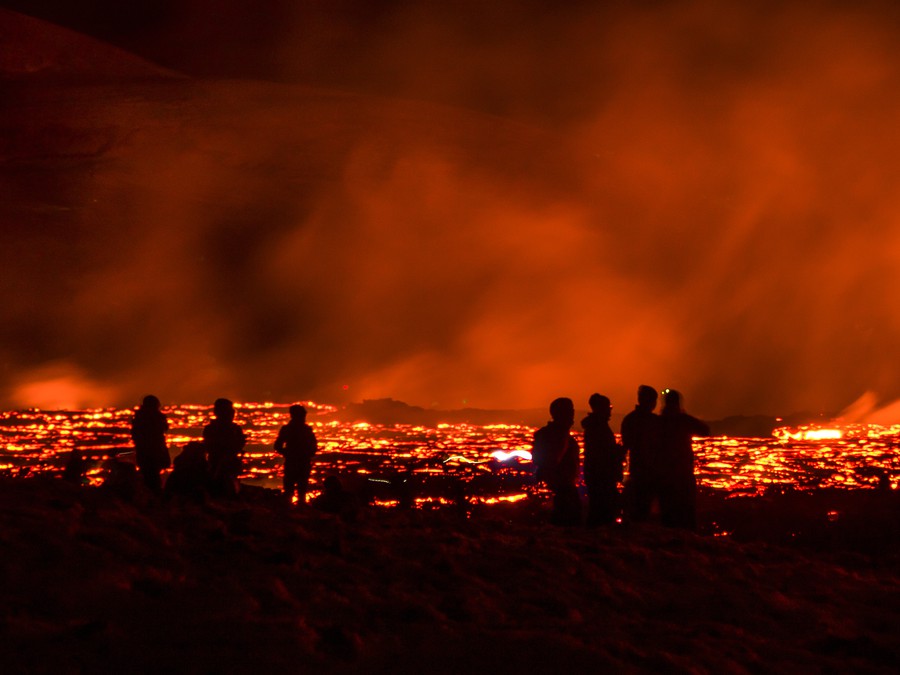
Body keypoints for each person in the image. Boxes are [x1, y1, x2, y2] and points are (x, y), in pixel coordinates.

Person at [658, 389, 710, 530]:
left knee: (667, 511)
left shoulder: (658, 422)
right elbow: (705, 430)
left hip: (664, 473)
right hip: (683, 472)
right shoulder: (683, 420)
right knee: (686, 509)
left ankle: (668, 537)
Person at [532, 397, 581, 525]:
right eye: (569, 411)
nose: (572, 414)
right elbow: (553, 461)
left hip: (560, 487)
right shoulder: (558, 436)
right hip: (561, 489)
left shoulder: (549, 434)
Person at [581, 394, 625, 526]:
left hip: (596, 474)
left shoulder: (594, 426)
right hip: (602, 475)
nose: (610, 410)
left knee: (597, 508)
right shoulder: (599, 427)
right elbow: (604, 453)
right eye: (609, 406)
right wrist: (618, 451)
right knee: (602, 510)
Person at [620, 385, 662, 522]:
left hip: (636, 470)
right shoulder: (655, 422)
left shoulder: (630, 419)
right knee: (645, 510)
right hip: (650, 472)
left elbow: (626, 444)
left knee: (636, 510)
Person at [274, 404, 318, 504]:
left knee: (297, 490)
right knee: (295, 490)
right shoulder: (302, 430)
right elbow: (278, 446)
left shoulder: (297, 429)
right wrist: (289, 454)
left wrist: (288, 453)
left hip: (298, 462)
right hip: (297, 463)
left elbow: (278, 446)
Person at [202, 398, 247, 497]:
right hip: (217, 462)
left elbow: (239, 444)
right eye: (228, 410)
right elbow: (210, 446)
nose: (232, 413)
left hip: (231, 462)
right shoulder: (212, 429)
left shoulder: (235, 428)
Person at [130, 394, 170, 494]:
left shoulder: (139, 417)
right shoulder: (157, 417)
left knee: (148, 474)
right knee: (153, 475)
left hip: (144, 451)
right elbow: (162, 431)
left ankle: (150, 494)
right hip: (154, 450)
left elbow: (135, 435)